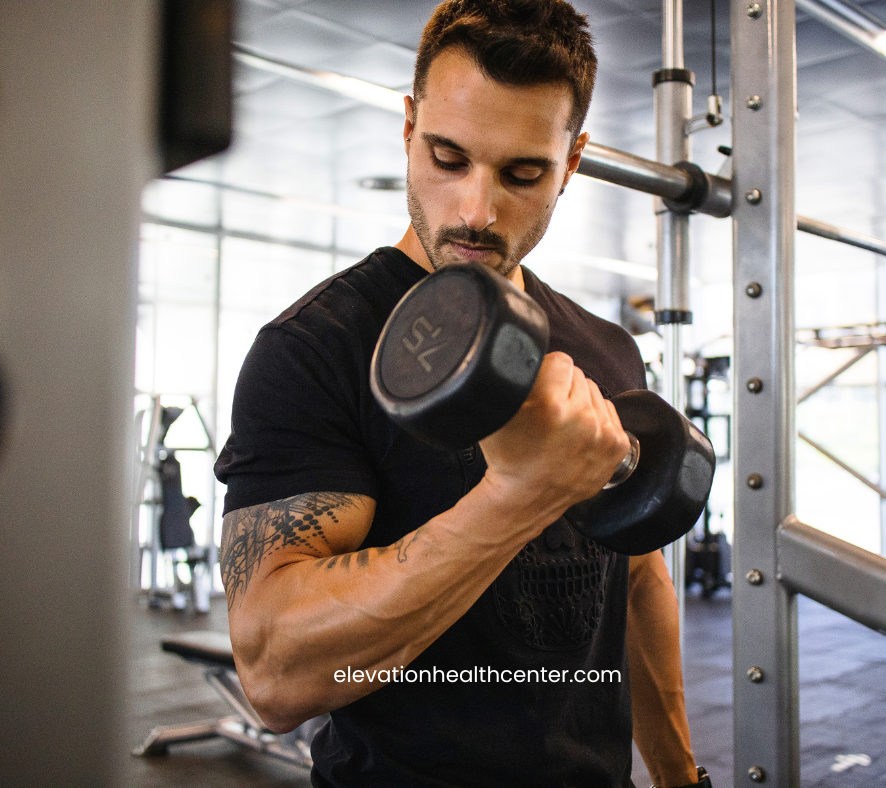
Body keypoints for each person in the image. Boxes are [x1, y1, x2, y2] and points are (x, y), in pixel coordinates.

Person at [215, 1, 708, 786]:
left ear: (572, 162)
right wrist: (520, 494)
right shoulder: (316, 349)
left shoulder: (607, 351)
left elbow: (640, 578)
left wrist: (683, 777)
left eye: (523, 174)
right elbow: (276, 674)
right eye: (448, 158)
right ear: (408, 128)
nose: (477, 210)